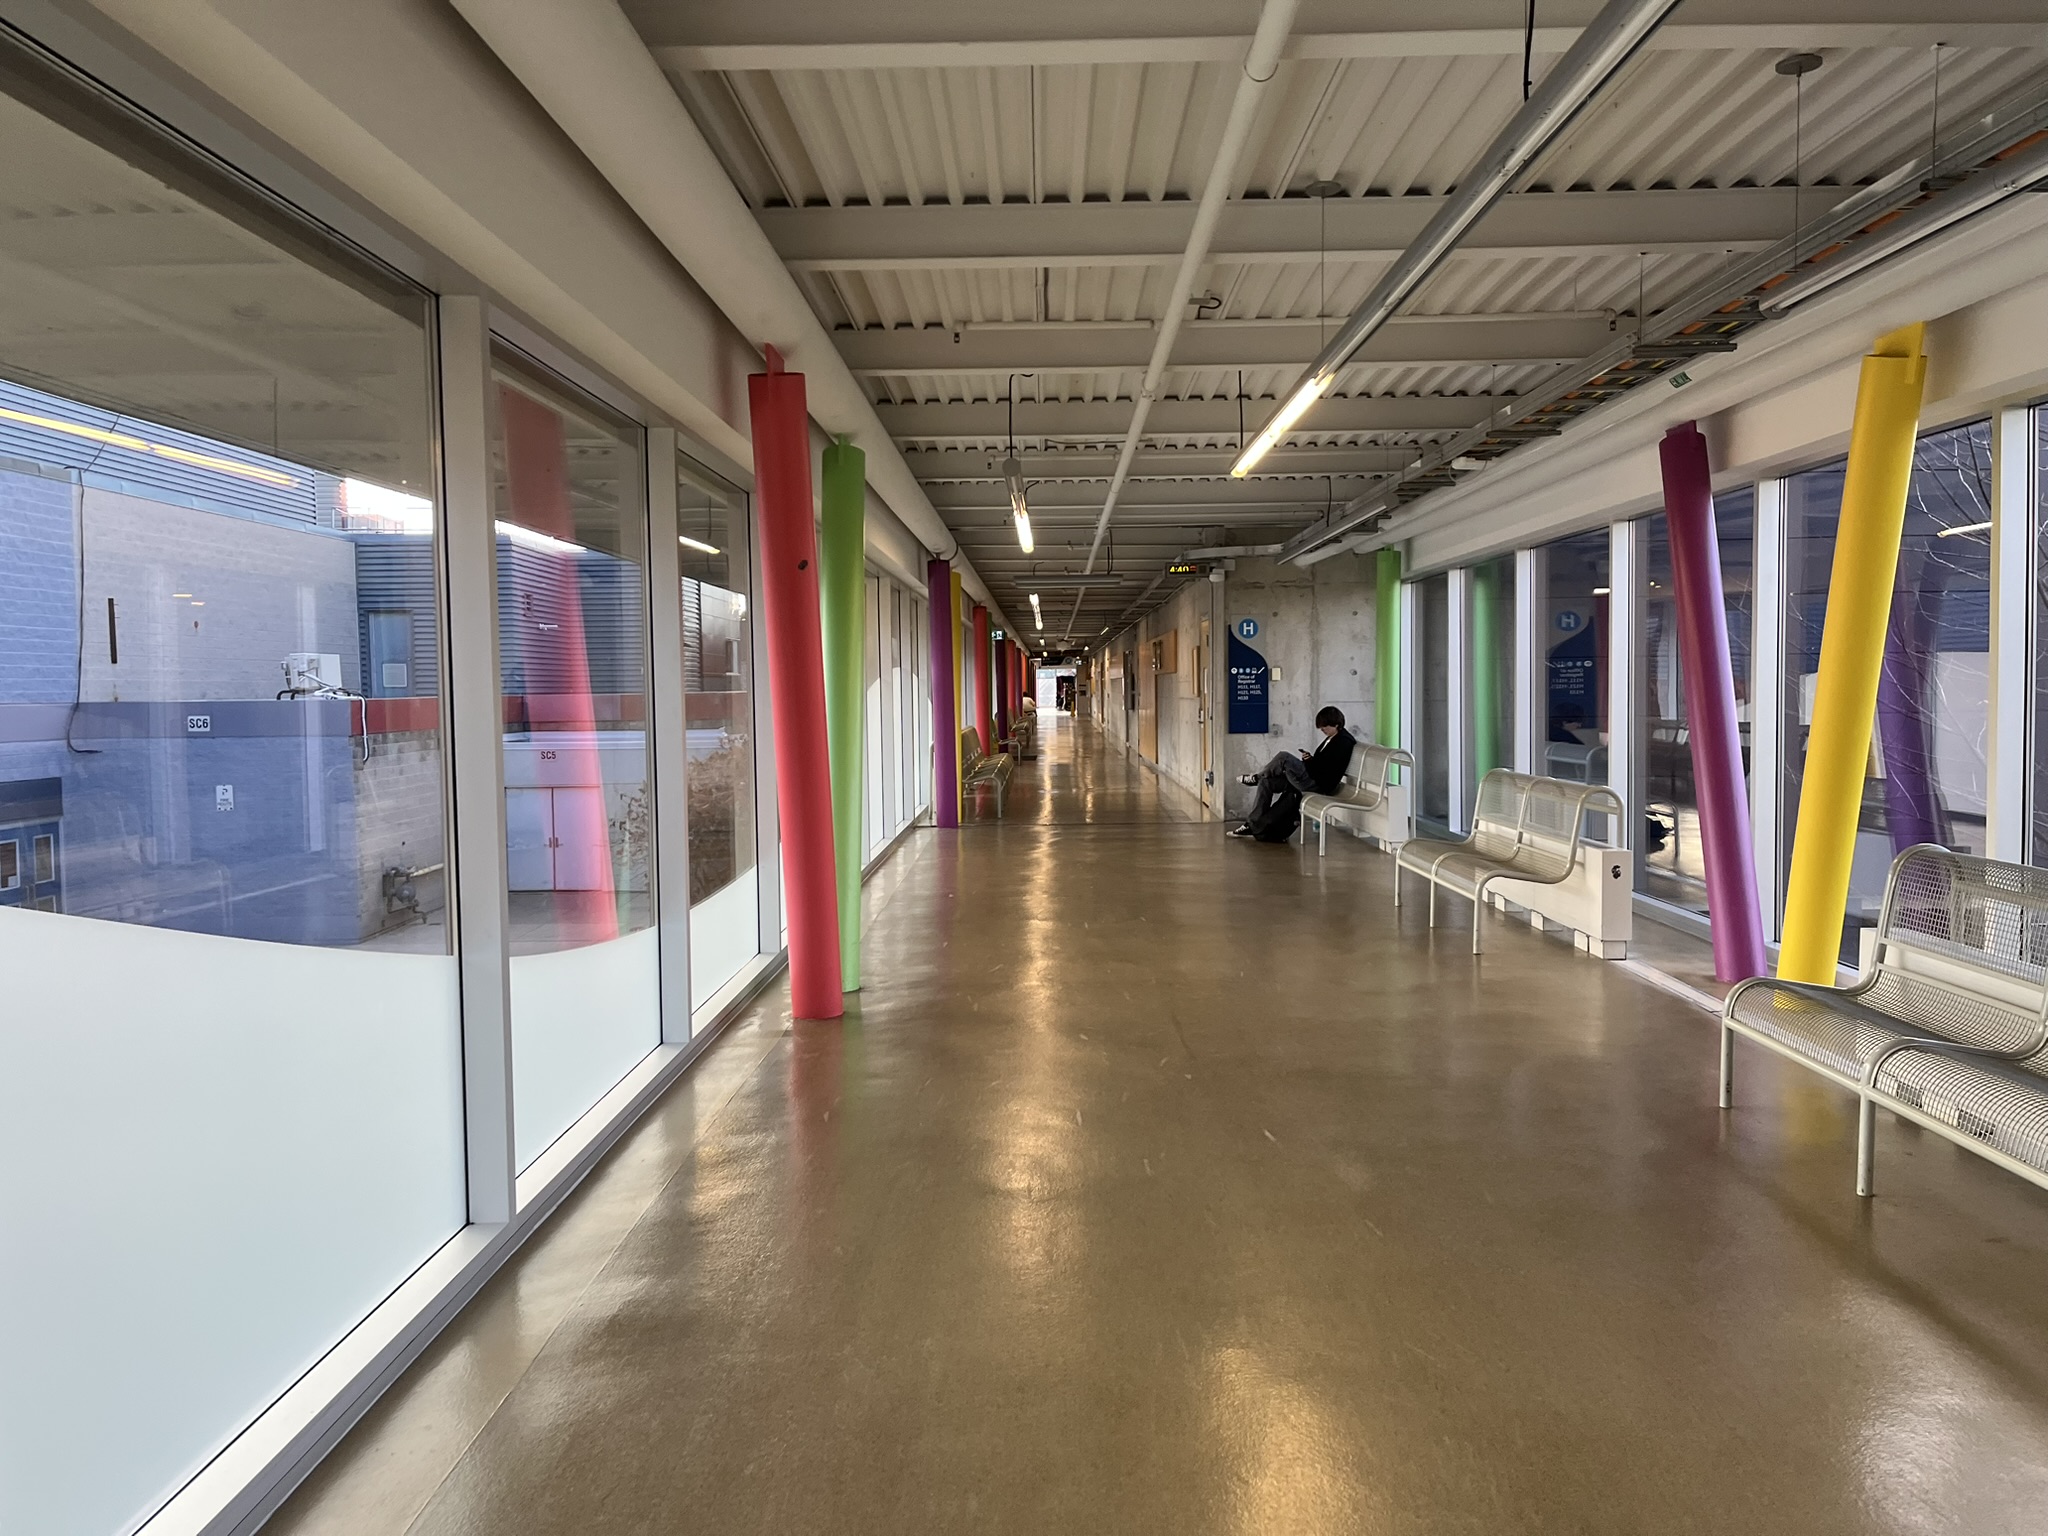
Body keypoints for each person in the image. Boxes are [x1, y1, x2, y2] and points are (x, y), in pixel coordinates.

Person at [1229, 706, 1355, 839]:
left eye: (1324, 726)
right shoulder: (1333, 737)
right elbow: (1323, 763)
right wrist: (1309, 759)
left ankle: (1255, 778)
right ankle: (1251, 824)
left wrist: (1309, 762)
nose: (1322, 730)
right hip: (1312, 776)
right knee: (1266, 782)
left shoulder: (1343, 742)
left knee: (1284, 757)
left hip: (1316, 783)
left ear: (1336, 724)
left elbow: (1326, 770)